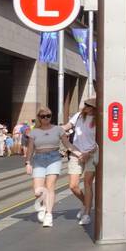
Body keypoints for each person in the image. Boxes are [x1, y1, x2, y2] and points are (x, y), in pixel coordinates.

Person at [25, 107, 65, 228]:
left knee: (50, 186)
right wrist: (28, 162)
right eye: (43, 116)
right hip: (39, 159)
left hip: (54, 158)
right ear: (39, 118)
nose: (46, 118)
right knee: (38, 192)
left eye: (48, 116)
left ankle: (49, 214)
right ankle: (43, 206)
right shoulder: (34, 132)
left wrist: (76, 151)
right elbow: (31, 148)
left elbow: (67, 143)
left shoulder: (58, 129)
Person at [64, 98, 100, 226]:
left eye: (89, 105)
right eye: (85, 104)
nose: (85, 107)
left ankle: (86, 214)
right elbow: (67, 126)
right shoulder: (78, 116)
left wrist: (88, 154)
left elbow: (99, 141)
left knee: (87, 183)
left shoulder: (98, 120)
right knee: (73, 186)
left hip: (92, 153)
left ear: (95, 108)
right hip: (76, 152)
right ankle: (86, 203)